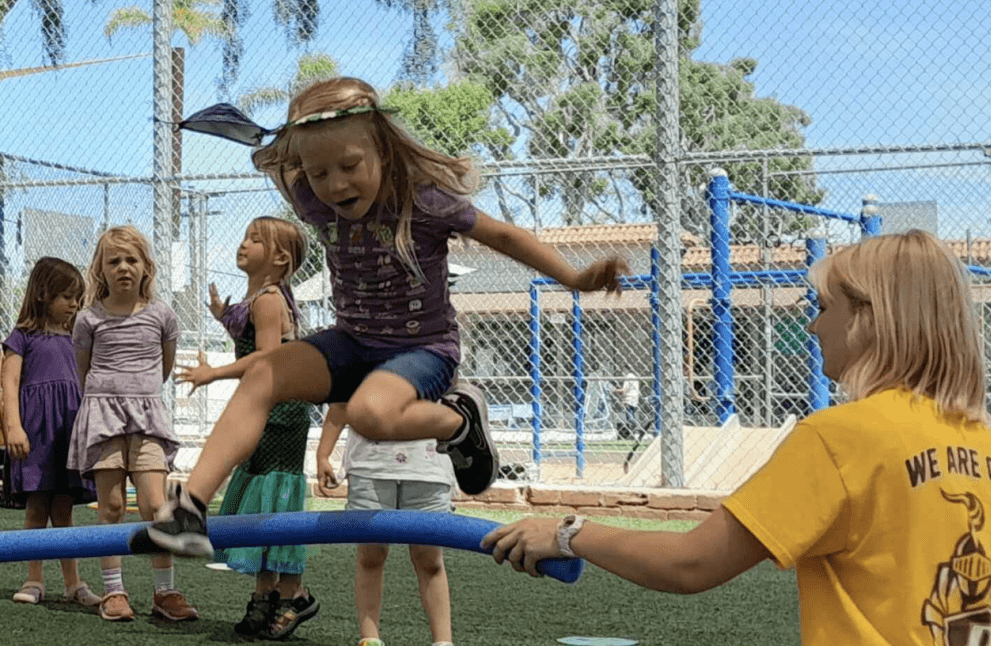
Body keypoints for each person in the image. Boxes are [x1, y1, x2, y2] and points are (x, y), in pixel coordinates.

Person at [136, 76, 628, 557]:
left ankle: (456, 422)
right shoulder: (307, 193)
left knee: (370, 414)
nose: (335, 185)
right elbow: (283, 162)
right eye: (320, 172)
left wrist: (574, 278)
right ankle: (189, 512)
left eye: (350, 166)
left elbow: (502, 236)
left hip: (424, 349)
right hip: (353, 341)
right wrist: (276, 144)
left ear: (383, 151)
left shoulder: (424, 199)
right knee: (263, 372)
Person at [482, 230, 991, 645]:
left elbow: (689, 563)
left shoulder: (842, 438)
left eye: (823, 308)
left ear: (869, 317)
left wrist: (569, 533)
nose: (813, 328)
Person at [175, 216, 319, 639]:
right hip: (272, 408)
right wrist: (223, 315)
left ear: (279, 258)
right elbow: (254, 341)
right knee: (264, 497)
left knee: (274, 495)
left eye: (255, 240)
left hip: (281, 412)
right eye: (245, 235)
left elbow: (266, 357)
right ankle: (266, 593)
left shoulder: (268, 300)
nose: (243, 244)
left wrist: (213, 373)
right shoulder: (260, 297)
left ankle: (293, 593)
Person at [67, 226, 199, 622]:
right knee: (110, 506)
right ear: (100, 270)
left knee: (155, 504)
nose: (123, 268)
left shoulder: (162, 315)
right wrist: (109, 395)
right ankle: (114, 591)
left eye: (132, 260)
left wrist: (140, 396)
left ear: (146, 268)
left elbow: (165, 364)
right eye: (114, 261)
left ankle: (165, 591)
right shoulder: (88, 319)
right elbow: (83, 370)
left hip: (147, 417)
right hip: (102, 415)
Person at [2, 257, 101, 607]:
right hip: (35, 434)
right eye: (67, 297)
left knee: (64, 510)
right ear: (44, 295)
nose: (74, 304)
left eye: (77, 297)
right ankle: (34, 579)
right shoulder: (21, 338)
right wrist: (12, 426)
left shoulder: (77, 338)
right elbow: (9, 384)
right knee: (36, 507)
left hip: (68, 432)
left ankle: (74, 584)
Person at [318, 402, 456, 646]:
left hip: (428, 466)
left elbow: (455, 395)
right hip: (370, 466)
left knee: (429, 559)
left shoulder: (438, 363)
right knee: (371, 555)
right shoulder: (358, 362)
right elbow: (341, 402)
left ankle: (443, 642)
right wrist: (323, 454)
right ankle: (370, 638)